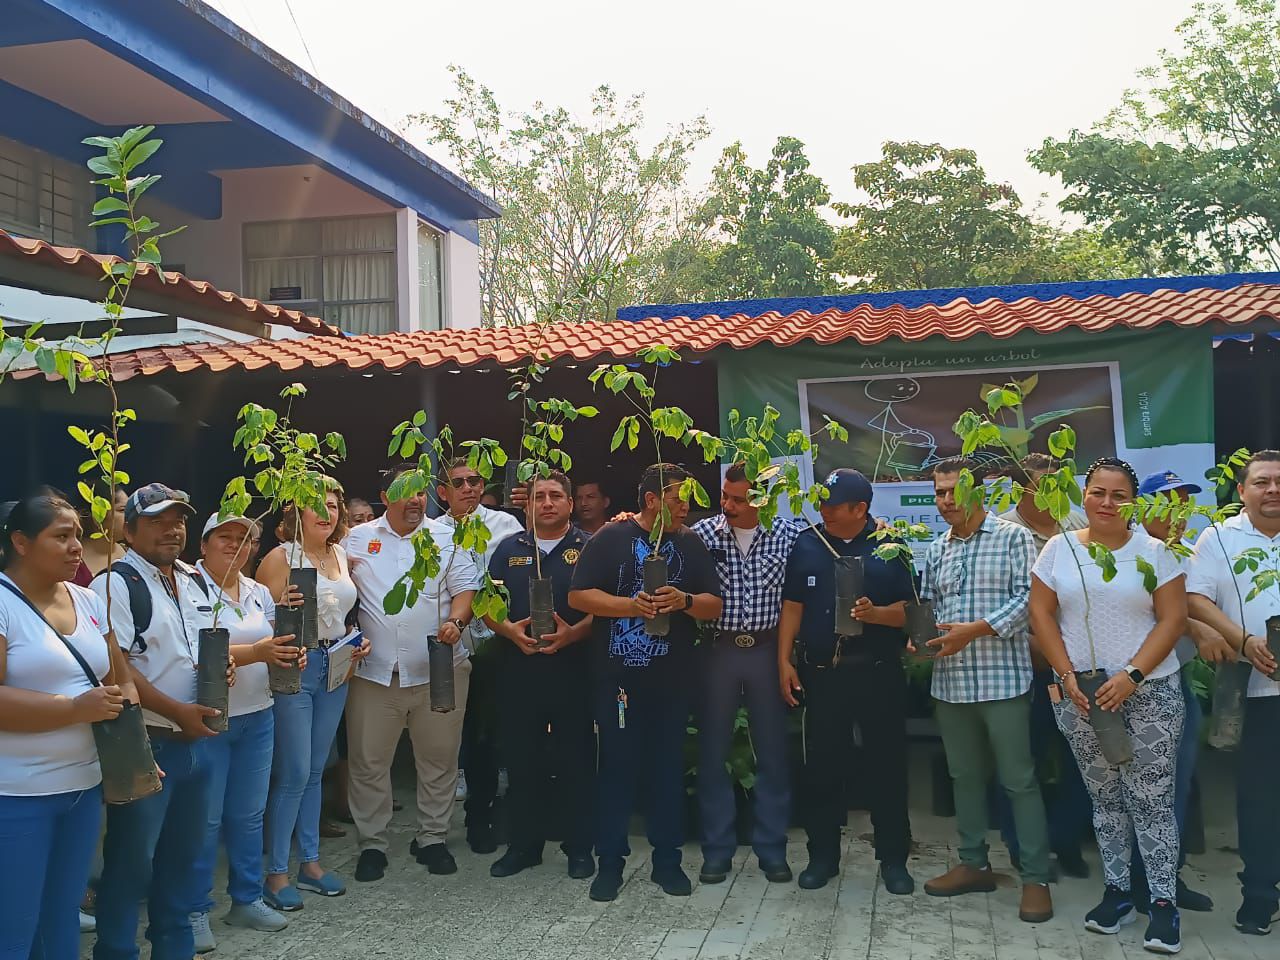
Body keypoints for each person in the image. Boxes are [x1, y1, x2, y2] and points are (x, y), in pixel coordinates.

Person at [1030, 457, 1187, 954]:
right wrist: (1066, 673)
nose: (1106, 503)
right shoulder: (1059, 550)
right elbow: (1041, 611)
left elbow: (1172, 620)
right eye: (1098, 492)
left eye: (1118, 495)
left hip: (1150, 692)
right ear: (1083, 496)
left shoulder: (1155, 553)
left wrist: (1133, 675)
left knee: (1152, 800)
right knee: (1106, 801)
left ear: (1133, 501)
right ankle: (1117, 892)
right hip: (1081, 696)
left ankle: (1162, 904)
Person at [91, 482, 232, 960]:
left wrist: (222, 666)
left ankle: (174, 950)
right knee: (131, 867)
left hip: (197, 742)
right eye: (157, 521)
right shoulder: (113, 584)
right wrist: (177, 714)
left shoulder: (193, 578)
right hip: (149, 745)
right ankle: (115, 951)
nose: (172, 530)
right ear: (128, 529)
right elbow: (119, 670)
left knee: (183, 863)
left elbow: (197, 647)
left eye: (179, 520)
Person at [569, 463, 722, 902]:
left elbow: (714, 604)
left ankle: (667, 864)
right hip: (618, 682)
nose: (686, 506)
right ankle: (610, 866)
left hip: (672, 682)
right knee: (615, 770)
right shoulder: (611, 538)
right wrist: (629, 606)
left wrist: (686, 600)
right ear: (652, 500)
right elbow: (579, 595)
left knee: (666, 772)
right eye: (678, 498)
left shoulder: (690, 543)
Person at [919, 457, 1053, 924]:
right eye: (939, 492)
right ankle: (973, 863)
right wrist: (922, 640)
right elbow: (929, 606)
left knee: (1019, 780)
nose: (947, 501)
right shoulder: (936, 549)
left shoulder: (1013, 537)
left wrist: (972, 631)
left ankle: (1036, 878)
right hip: (951, 684)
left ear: (979, 490)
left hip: (1003, 681)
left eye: (955, 490)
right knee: (964, 778)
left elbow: (1029, 602)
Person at [0, 492, 132, 960]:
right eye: (61, 536)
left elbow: (118, 681)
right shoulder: (2, 604)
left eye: (77, 534)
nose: (77, 545)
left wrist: (136, 756)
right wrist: (75, 708)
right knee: (14, 924)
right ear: (20, 542)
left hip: (82, 788)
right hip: (17, 794)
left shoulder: (88, 598)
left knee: (62, 919)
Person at [777, 468, 916, 894]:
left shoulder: (891, 545)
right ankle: (822, 857)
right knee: (823, 768)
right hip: (824, 674)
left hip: (878, 671)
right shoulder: (807, 543)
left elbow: (913, 612)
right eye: (821, 502)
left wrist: (877, 614)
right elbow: (793, 605)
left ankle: (893, 860)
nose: (824, 511)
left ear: (861, 508)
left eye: (833, 505)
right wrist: (783, 660)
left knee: (886, 768)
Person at [345, 463, 480, 881]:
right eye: (406, 492)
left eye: (422, 492)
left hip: (439, 669)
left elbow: (465, 590)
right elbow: (338, 591)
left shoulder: (446, 537)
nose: (417, 499)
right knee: (368, 761)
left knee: (439, 759)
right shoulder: (356, 539)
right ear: (385, 498)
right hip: (374, 673)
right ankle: (373, 844)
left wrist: (456, 623)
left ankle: (433, 838)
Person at [188, 514, 306, 951]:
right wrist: (258, 651)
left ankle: (247, 898)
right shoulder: (187, 586)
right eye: (225, 537)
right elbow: (193, 646)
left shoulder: (257, 591)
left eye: (245, 539)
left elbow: (272, 642)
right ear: (204, 544)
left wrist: (287, 655)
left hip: (259, 713)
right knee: (206, 820)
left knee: (248, 814)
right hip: (210, 718)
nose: (236, 545)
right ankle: (194, 909)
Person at [689, 463, 801, 887]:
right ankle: (717, 851)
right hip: (718, 651)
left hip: (767, 650)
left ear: (764, 499)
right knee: (713, 752)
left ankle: (772, 850)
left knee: (771, 753)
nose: (729, 506)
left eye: (740, 499)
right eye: (725, 496)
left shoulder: (790, 537)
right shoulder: (703, 536)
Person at [1187, 449, 1280, 937]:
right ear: (1241, 491)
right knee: (1260, 797)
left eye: (1279, 482)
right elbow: (1195, 596)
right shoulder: (1218, 538)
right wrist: (1241, 639)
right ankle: (1261, 895)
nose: (1272, 490)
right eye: (1261, 482)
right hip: (1254, 689)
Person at [484, 472, 595, 879]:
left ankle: (580, 847)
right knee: (521, 760)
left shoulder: (590, 547)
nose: (547, 503)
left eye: (555, 496)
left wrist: (574, 634)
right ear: (526, 505)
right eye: (538, 497)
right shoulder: (507, 549)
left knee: (576, 761)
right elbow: (485, 602)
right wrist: (507, 630)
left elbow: (605, 607)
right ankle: (523, 847)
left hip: (573, 669)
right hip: (519, 668)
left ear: (569, 504)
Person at [259, 485, 362, 910]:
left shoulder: (340, 556)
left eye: (335, 506)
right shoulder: (280, 557)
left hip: (335, 663)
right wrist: (280, 607)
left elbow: (343, 613)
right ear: (295, 514)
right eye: (316, 506)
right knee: (295, 771)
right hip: (295, 668)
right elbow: (259, 619)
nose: (328, 513)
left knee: (317, 768)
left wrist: (359, 642)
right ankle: (276, 873)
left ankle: (312, 864)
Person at [995, 454, 1092, 879]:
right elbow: (998, 605)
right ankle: (1022, 845)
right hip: (1024, 667)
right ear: (1022, 489)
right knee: (1022, 761)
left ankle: (1068, 840)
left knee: (1081, 759)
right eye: (1044, 485)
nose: (1055, 492)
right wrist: (1044, 650)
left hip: (1080, 667)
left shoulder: (1078, 527)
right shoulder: (1000, 533)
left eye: (1060, 483)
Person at [1133, 470, 1216, 914]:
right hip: (1135, 685)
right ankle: (1136, 884)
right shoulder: (1129, 554)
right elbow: (1168, 612)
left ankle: (1166, 878)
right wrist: (1200, 630)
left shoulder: (1185, 553)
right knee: (1139, 790)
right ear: (1143, 508)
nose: (1179, 514)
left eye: (1185, 504)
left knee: (1174, 786)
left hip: (1177, 679)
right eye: (1169, 503)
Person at [431, 458, 522, 854]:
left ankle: (512, 816)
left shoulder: (507, 526)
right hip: (454, 647)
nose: (469, 487)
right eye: (459, 482)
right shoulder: (431, 534)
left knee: (506, 734)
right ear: (442, 491)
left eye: (475, 481)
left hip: (504, 643)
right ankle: (475, 818)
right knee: (467, 737)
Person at [75, 488, 128, 586]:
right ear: (98, 514)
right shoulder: (72, 560)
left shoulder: (131, 552)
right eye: (122, 510)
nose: (129, 516)